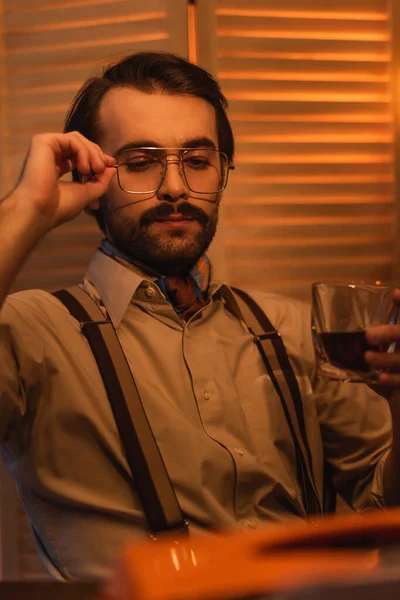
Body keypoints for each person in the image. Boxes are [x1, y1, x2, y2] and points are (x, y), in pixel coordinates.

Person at [0, 51, 399, 581]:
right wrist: (28, 208)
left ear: (224, 173)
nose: (175, 188)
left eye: (196, 160)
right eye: (140, 162)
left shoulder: (294, 329)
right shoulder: (32, 331)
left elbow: (384, 507)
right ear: (90, 183)